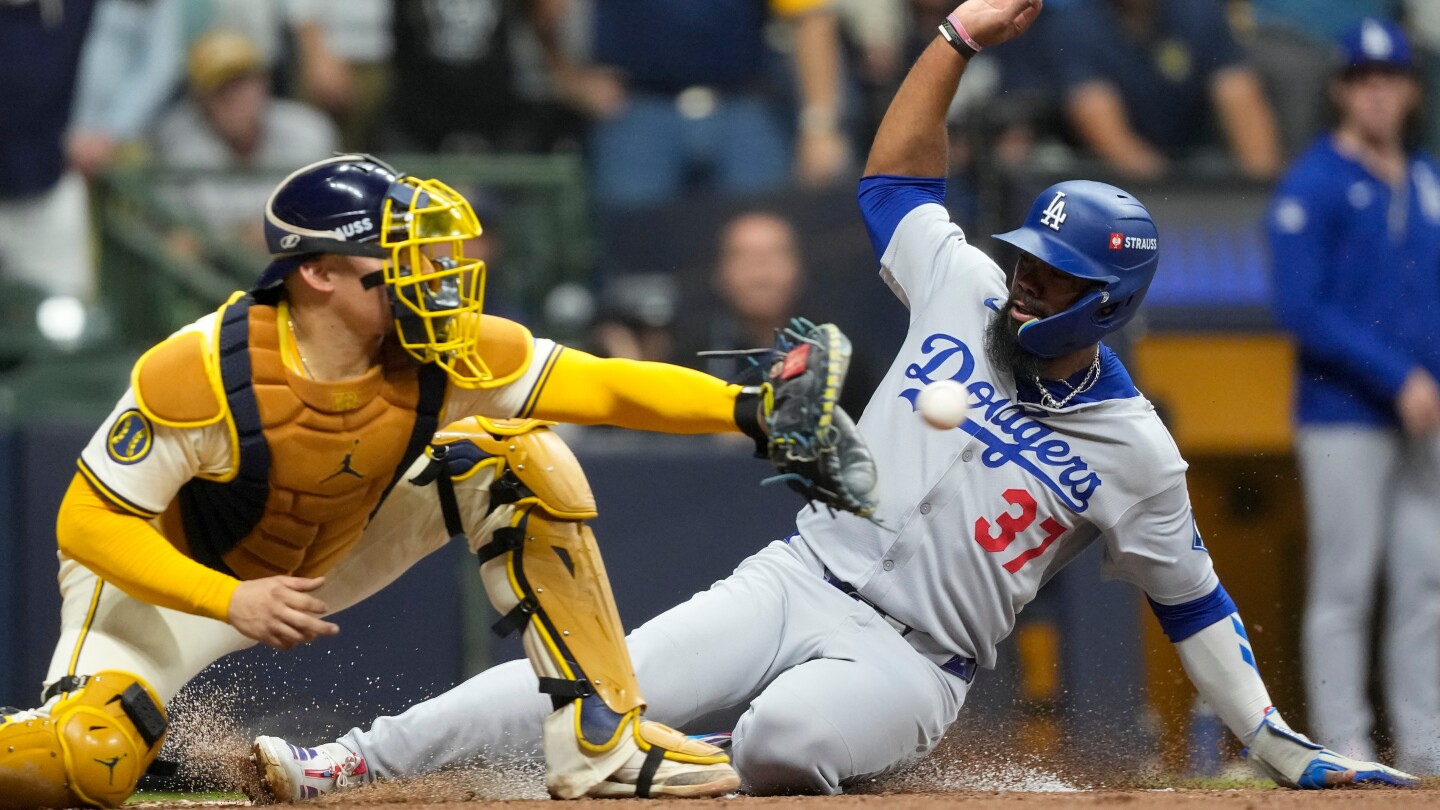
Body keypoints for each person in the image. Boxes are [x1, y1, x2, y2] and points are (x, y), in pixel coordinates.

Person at [246, 0, 1420, 799]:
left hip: (913, 665)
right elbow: (894, 179)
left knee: (784, 741)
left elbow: (1196, 605)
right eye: (1027, 260)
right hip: (802, 573)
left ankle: (696, 753)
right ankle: (347, 761)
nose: (1025, 282)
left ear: (1107, 304)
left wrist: (1273, 743)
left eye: (1056, 278)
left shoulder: (1136, 451)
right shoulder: (966, 286)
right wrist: (954, 37)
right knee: (600, 674)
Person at [0, 153, 875, 808]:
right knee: (79, 765)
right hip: (164, 587)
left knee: (515, 454)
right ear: (318, 273)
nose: (429, 271)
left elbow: (604, 385)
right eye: (398, 254)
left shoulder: (440, 347)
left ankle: (601, 742)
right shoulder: (199, 370)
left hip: (324, 557)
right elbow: (86, 525)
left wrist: (751, 410)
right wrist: (228, 600)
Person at [1268, 18, 1440, 775]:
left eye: (1389, 79)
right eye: (1363, 80)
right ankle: (1343, 745)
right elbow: (1301, 310)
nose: (1377, 94)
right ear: (1342, 90)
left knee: (1426, 583)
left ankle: (1427, 747)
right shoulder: (1314, 182)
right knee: (1345, 584)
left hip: (1425, 413)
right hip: (1344, 415)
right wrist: (1397, 377)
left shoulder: (1426, 178)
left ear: (1410, 90)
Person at [151, 29, 338, 254]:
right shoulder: (177, 143)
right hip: (215, 263)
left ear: (265, 84)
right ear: (200, 101)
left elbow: (332, 216)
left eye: (244, 84)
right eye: (222, 89)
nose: (238, 98)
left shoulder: (307, 131)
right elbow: (179, 232)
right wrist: (241, 237)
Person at [1050, 0, 1281, 181]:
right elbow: (1108, 135)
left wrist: (1261, 191)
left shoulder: (1198, 11)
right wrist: (1173, 202)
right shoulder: (1074, 24)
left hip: (1196, 166)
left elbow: (1241, 99)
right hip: (1114, 187)